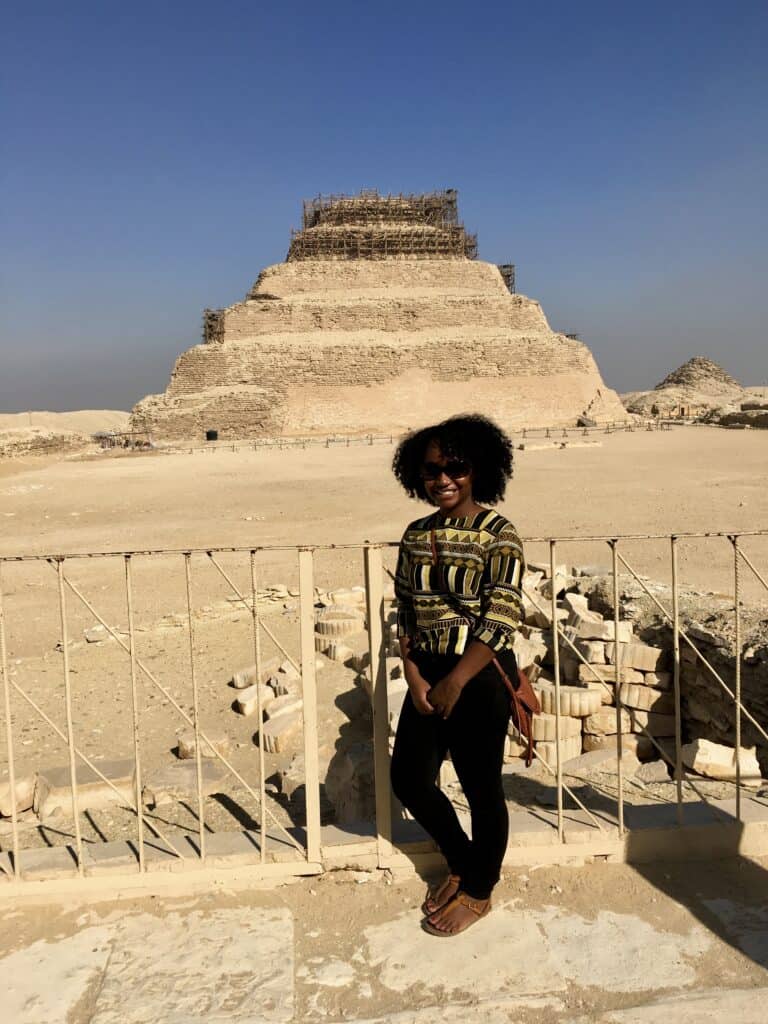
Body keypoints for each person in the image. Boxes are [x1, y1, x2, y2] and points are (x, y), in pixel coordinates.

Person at [390, 413, 524, 937]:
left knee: (480, 785)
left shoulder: (499, 534)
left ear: (479, 470)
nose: (443, 479)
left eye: (456, 467)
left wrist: (456, 680)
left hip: (480, 671)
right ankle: (464, 861)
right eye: (431, 471)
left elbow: (502, 614)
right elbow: (404, 607)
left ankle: (480, 889)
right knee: (410, 779)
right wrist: (414, 672)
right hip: (428, 670)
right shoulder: (415, 533)